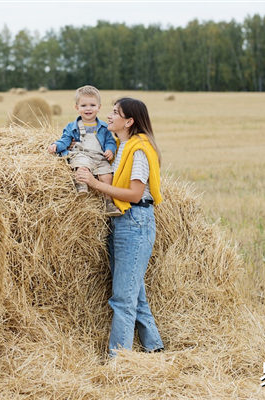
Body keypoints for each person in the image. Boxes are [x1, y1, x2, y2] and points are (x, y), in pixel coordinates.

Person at [75, 97, 164, 357]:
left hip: (135, 221)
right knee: (134, 293)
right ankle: (154, 347)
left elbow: (135, 194)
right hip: (122, 220)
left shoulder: (138, 151)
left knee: (123, 299)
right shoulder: (120, 146)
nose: (109, 116)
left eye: (116, 112)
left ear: (129, 121)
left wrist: (93, 183)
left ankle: (119, 360)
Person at [48, 85, 121, 217]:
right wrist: (56, 146)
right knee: (81, 164)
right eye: (84, 105)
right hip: (82, 154)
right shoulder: (72, 126)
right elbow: (65, 140)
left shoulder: (104, 127)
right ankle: (81, 185)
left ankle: (108, 202)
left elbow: (110, 141)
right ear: (77, 108)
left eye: (92, 105)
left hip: (99, 157)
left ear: (99, 107)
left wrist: (110, 149)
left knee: (107, 175)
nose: (88, 108)